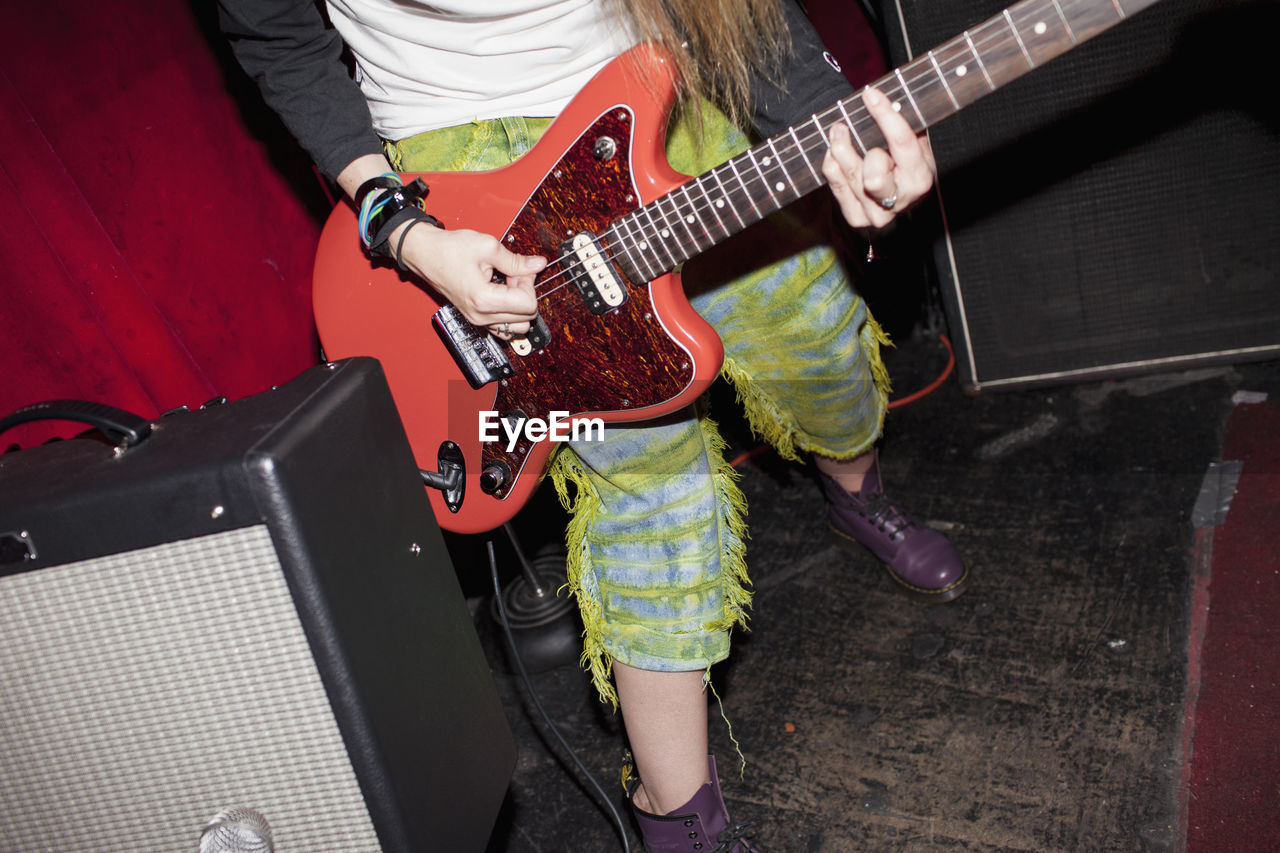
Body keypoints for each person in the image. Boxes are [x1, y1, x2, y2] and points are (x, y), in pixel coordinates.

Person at [217, 0, 966, 849]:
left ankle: (856, 493)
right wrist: (399, 225)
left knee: (814, 328)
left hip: (655, 79)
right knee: (653, 479)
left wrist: (843, 133)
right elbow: (270, 28)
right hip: (462, 172)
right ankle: (677, 816)